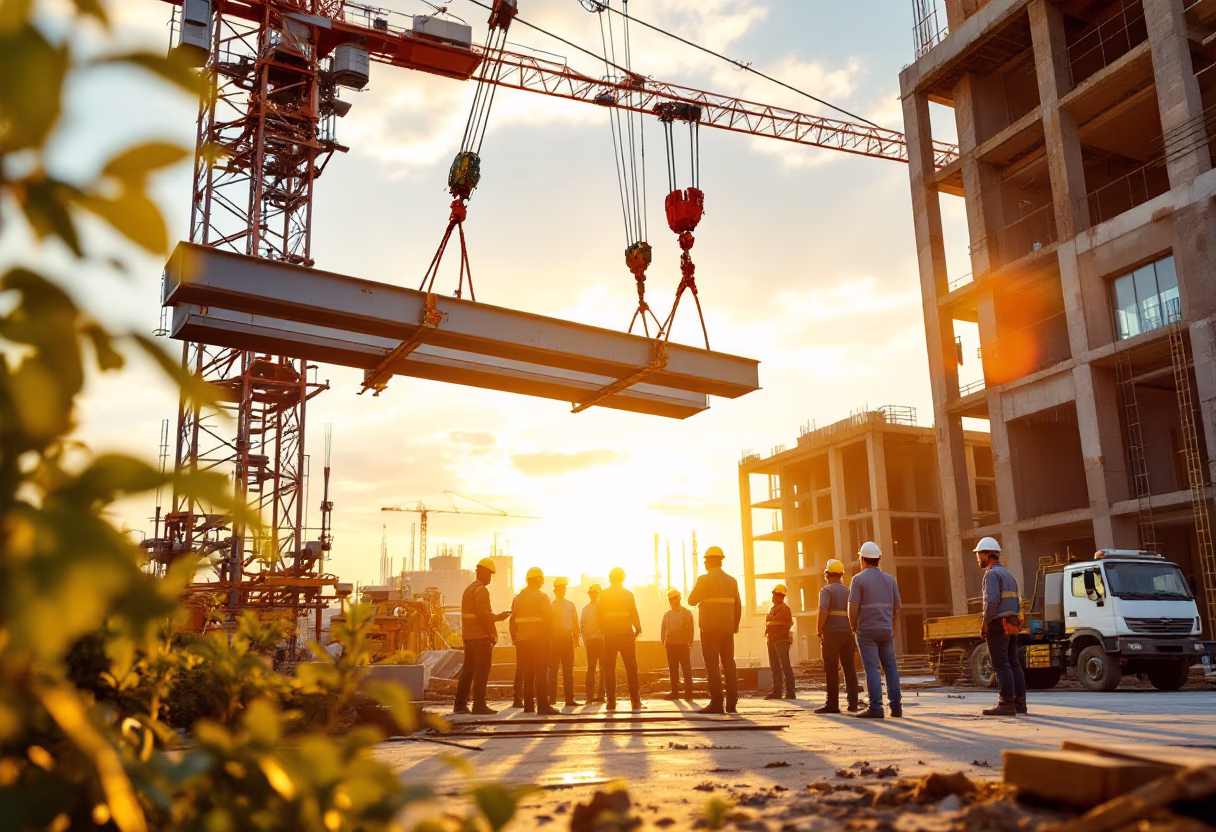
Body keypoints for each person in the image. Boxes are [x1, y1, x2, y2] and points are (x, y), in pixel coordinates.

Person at [849, 542, 902, 719]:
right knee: (890, 667)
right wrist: (891, 627)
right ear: (879, 559)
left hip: (867, 630)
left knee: (872, 668)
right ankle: (896, 707)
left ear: (862, 559)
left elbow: (852, 607)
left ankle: (876, 708)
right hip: (886, 630)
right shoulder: (890, 580)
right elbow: (897, 607)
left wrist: (853, 626)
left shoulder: (858, 579)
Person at [454, 558, 513, 715]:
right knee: (482, 671)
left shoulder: (469, 590)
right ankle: (479, 705)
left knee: (468, 670)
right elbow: (483, 615)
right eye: (490, 574)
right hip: (480, 638)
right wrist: (495, 627)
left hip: (469, 636)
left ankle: (460, 704)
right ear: (483, 572)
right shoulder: (481, 590)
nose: (490, 578)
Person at [688, 546, 741, 714]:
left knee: (712, 666)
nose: (704, 563)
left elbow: (691, 600)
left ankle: (717, 702)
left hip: (710, 629)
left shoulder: (704, 580)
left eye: (705, 560)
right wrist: (734, 626)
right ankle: (732, 702)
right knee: (729, 663)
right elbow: (738, 606)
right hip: (727, 629)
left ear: (709, 561)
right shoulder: (732, 581)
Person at [975, 537, 1026, 716]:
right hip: (1012, 623)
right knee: (1013, 664)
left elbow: (992, 602)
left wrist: (985, 622)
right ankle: (1020, 703)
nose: (978, 559)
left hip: (998, 623)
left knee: (1001, 664)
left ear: (987, 554)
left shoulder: (991, 575)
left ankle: (1006, 704)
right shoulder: (1008, 574)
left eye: (979, 555)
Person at [815, 559, 860, 714]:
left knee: (832, 668)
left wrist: (819, 628)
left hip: (831, 634)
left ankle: (832, 704)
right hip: (847, 634)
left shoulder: (826, 591)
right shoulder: (848, 591)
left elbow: (823, 610)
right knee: (849, 668)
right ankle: (853, 703)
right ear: (841, 575)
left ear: (827, 575)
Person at [511, 566, 557, 715]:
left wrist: (515, 637)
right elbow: (548, 620)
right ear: (538, 580)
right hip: (540, 640)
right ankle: (543, 706)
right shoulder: (541, 597)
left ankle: (529, 706)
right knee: (541, 672)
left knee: (528, 673)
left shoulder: (518, 598)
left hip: (523, 640)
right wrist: (550, 638)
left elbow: (513, 620)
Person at [598, 567, 643, 711]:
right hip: (625, 634)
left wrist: (601, 628)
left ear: (610, 578)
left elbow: (598, 612)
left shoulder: (604, 594)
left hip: (610, 634)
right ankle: (635, 701)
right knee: (631, 667)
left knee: (609, 668)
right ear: (623, 578)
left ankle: (611, 702)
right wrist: (638, 628)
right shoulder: (628, 594)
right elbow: (633, 612)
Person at [548, 576, 581, 708]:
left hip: (560, 640)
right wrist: (576, 641)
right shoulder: (567, 606)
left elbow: (575, 625)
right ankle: (566, 699)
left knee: (556, 671)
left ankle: (554, 698)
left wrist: (576, 640)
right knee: (564, 671)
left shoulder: (553, 606)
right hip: (562, 640)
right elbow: (575, 625)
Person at [661, 587, 695, 701]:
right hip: (671, 646)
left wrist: (689, 643)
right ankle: (674, 693)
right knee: (673, 670)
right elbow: (663, 629)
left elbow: (691, 630)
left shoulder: (687, 613)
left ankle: (688, 693)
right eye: (671, 599)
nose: (673, 601)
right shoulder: (667, 615)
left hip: (683, 645)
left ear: (679, 599)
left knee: (686, 669)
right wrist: (664, 642)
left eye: (675, 598)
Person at [764, 584, 796, 700]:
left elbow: (778, 623)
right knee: (775, 667)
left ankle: (790, 692)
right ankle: (777, 691)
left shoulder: (784, 609)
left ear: (779, 596)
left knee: (785, 665)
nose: (772, 597)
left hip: (781, 640)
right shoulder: (773, 609)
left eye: (774, 594)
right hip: (772, 640)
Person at [582, 584, 606, 703]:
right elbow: (583, 627)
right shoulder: (586, 609)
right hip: (592, 640)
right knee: (592, 668)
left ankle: (600, 695)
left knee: (602, 668)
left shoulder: (603, 608)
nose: (594, 595)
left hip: (601, 641)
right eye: (592, 593)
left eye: (596, 593)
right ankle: (590, 696)